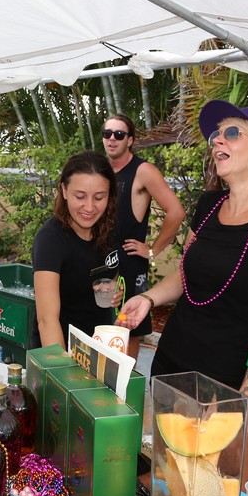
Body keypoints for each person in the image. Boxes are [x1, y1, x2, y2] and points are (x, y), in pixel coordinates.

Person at [117, 102, 248, 479]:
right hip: (171, 368)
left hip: (226, 385)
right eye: (216, 135)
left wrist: (245, 402)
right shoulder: (207, 204)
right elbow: (186, 275)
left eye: (232, 132)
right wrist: (148, 298)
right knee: (171, 488)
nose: (217, 140)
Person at [101, 113, 184, 360]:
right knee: (96, 321)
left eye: (119, 134)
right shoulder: (99, 168)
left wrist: (152, 250)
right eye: (107, 134)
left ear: (130, 140)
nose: (112, 139)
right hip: (99, 257)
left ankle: (126, 380)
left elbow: (176, 212)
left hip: (128, 261)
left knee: (127, 328)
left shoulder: (143, 171)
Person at [32, 151, 121, 349]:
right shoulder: (50, 239)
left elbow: (110, 273)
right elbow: (47, 320)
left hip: (99, 345)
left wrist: (114, 287)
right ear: (64, 190)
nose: (89, 207)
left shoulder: (110, 229)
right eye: (80, 196)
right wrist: (62, 365)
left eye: (99, 197)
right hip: (59, 348)